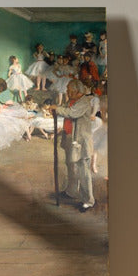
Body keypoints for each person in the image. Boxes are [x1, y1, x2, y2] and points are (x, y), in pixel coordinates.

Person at [48, 79, 96, 212]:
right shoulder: (71, 100)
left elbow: (71, 113)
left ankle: (88, 200)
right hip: (70, 138)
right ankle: (72, 191)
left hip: (80, 141)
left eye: (69, 90)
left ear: (77, 91)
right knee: (71, 166)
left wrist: (57, 109)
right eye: (68, 90)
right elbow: (64, 109)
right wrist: (55, 109)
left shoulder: (84, 102)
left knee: (83, 170)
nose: (67, 92)